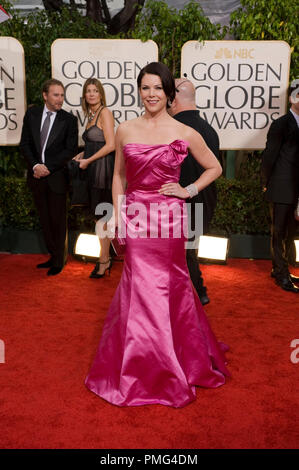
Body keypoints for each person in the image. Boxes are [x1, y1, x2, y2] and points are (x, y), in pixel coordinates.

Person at [85, 62, 229, 408]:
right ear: (139, 90)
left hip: (169, 219)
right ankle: (138, 363)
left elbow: (215, 167)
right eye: (145, 88)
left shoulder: (184, 131)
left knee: (171, 285)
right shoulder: (125, 129)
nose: (151, 95)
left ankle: (175, 359)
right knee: (137, 286)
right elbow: (119, 176)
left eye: (158, 89)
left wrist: (188, 189)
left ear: (169, 94)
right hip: (135, 216)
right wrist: (118, 213)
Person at [169, 77, 220, 306]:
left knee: (181, 252)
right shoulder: (209, 130)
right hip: (205, 199)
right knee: (189, 249)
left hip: (181, 201)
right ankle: (198, 291)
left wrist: (185, 190)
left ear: (174, 98)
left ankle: (194, 293)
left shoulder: (175, 130)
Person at [20, 79, 78, 275]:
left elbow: (69, 150)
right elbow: (25, 143)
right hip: (37, 177)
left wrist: (48, 168)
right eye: (56, 95)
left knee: (57, 220)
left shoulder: (69, 120)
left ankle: (58, 261)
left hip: (56, 178)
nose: (60, 99)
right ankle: (53, 255)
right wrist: (36, 166)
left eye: (62, 95)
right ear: (45, 95)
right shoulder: (32, 115)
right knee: (44, 220)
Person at [73, 78, 115, 278]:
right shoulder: (89, 115)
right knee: (101, 219)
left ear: (101, 94)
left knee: (103, 219)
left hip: (102, 171)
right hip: (93, 169)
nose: (91, 94)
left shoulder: (104, 112)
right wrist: (83, 154)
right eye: (88, 91)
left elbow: (110, 145)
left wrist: (88, 159)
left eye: (95, 90)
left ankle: (104, 260)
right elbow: (95, 143)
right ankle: (105, 259)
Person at [261, 83, 299, 293]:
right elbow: (269, 155)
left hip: (296, 190)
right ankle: (281, 275)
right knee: (279, 233)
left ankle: (281, 268)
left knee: (289, 233)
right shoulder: (281, 124)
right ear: (292, 98)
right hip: (281, 187)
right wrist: (265, 183)